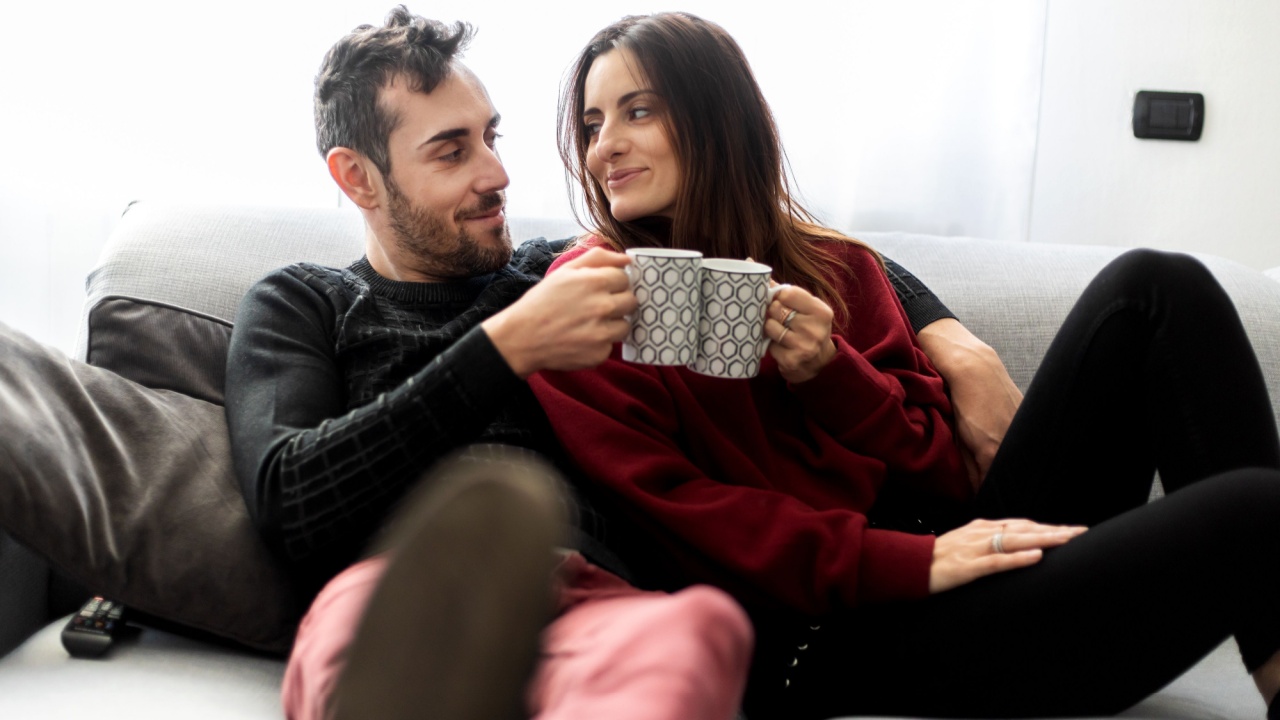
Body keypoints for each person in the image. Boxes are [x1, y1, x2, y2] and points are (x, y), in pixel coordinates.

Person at [222, 7, 1009, 720]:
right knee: (372, 649)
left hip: (589, 597)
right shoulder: (306, 304)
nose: (496, 175)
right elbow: (289, 498)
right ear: (356, 176)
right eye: (451, 151)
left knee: (695, 635)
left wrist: (953, 340)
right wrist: (504, 348)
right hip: (393, 592)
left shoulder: (558, 273)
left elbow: (773, 245)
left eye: (492, 138)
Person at [529, 11, 1280, 720]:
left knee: (1156, 288)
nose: (604, 148)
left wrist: (833, 376)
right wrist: (910, 561)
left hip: (962, 549)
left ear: (715, 117)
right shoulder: (587, 300)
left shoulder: (834, 266)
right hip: (833, 624)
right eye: (592, 125)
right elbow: (690, 517)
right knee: (1257, 508)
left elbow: (948, 472)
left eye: (637, 111)